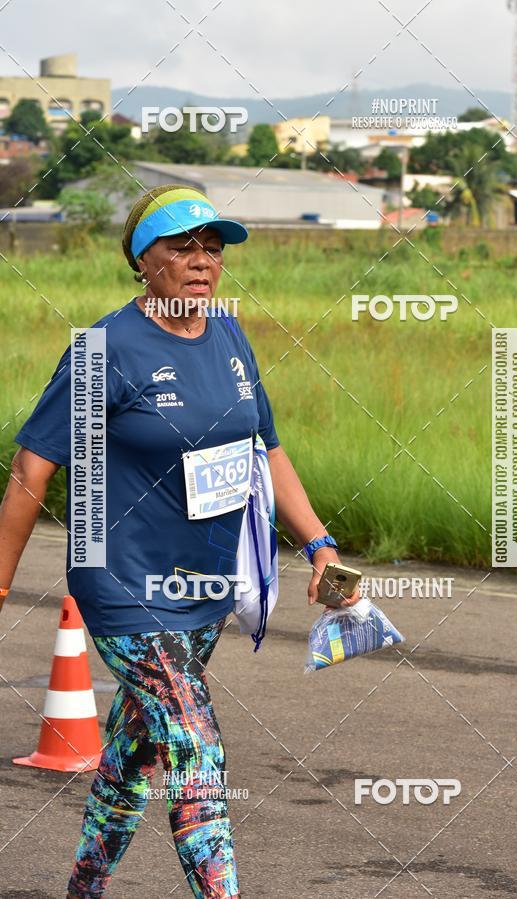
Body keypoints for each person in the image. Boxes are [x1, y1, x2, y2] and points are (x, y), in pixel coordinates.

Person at [0, 184, 360, 898]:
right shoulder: (105, 350)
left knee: (134, 751)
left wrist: (320, 544)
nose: (203, 261)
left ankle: (83, 885)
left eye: (213, 248)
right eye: (183, 246)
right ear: (143, 260)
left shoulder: (228, 334)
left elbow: (268, 451)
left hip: (203, 591)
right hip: (123, 585)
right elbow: (31, 468)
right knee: (196, 744)